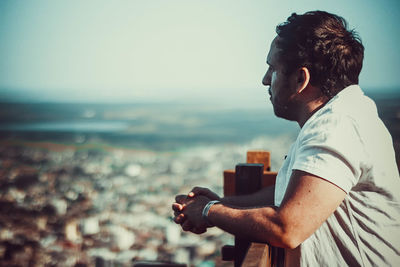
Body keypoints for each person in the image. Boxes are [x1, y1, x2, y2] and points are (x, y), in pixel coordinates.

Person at [172, 11, 400, 266]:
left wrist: (208, 212)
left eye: (273, 68)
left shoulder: (336, 127)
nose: (265, 79)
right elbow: (287, 197)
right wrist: (221, 203)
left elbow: (287, 228)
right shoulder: (341, 117)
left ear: (301, 79)